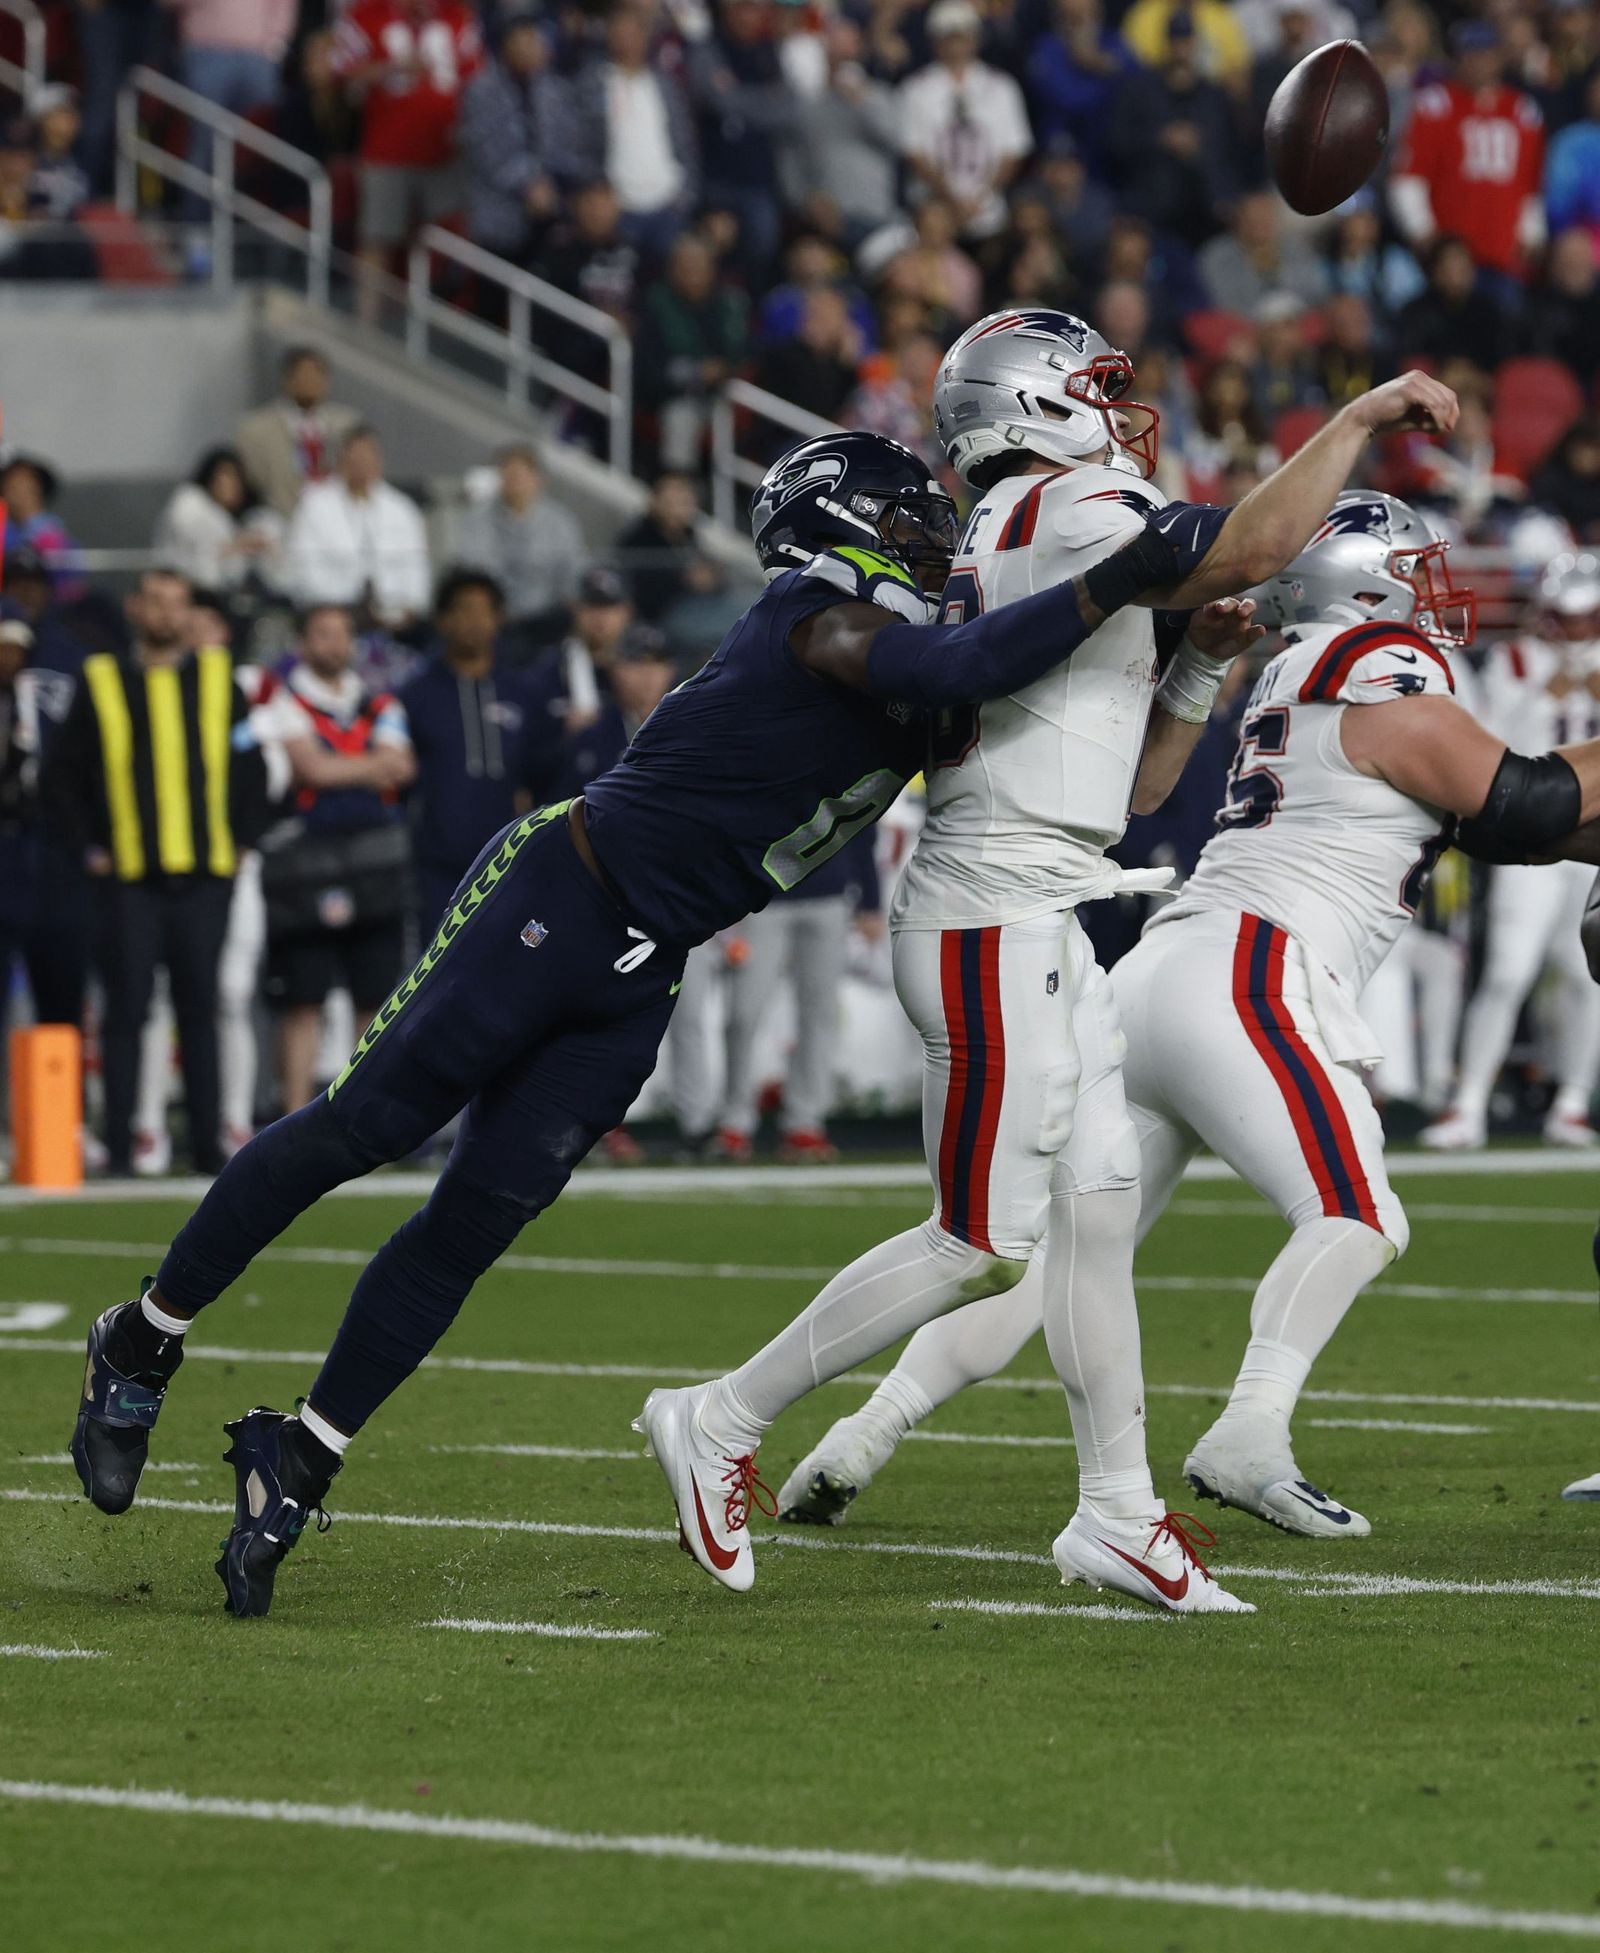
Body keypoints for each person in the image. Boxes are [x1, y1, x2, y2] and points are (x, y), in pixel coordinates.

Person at [63, 430, 1252, 1617]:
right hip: (559, 894)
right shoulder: (817, 615)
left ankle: (303, 1455)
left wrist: (1185, 656)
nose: (930, 537)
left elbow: (1069, 745)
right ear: (839, 529)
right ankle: (141, 1340)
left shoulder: (902, 654)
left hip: (642, 968)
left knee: (476, 1221)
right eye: (904, 521)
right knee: (363, 1124)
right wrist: (1124, 570)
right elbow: (955, 670)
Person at [634, 327, 1462, 1611]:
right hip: (985, 911)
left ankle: (1117, 1514)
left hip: (1049, 901)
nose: (1116, 419)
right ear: (1028, 404)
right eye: (1095, 392)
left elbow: (1125, 794)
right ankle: (721, 1416)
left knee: (1097, 1217)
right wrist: (1353, 421)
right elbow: (1245, 547)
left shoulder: (1035, 518)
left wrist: (1192, 663)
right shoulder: (1069, 501)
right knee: (979, 1239)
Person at [776, 493, 1507, 1541]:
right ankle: (1251, 1429)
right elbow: (1513, 801)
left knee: (1056, 1258)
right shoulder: (1382, 660)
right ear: (1363, 581)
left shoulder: (1285, 669)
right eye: (1414, 565)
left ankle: (865, 1433)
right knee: (1357, 1213)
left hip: (1165, 968)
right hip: (1250, 970)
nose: (1432, 588)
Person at [42, 568, 268, 1176]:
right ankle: (119, 1148)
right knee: (126, 1010)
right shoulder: (101, 680)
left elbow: (251, 765)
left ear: (190, 612)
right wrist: (88, 848)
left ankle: (205, 1147)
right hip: (129, 880)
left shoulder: (221, 681)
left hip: (205, 875)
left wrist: (246, 839)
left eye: (179, 602)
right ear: (137, 608)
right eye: (157, 601)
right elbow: (60, 776)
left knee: (201, 1008)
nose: (167, 613)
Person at [1423, 556, 1600, 1150]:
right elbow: (1490, 749)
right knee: (1508, 970)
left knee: (1585, 974)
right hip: (1538, 833)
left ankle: (1573, 1101)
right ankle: (1469, 1102)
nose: (1576, 632)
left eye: (1586, 620)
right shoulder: (1515, 660)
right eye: (1567, 619)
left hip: (1595, 834)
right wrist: (1544, 695)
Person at [256, 603, 417, 1111]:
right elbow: (310, 770)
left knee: (373, 998)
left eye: (342, 634)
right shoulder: (282, 702)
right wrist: (370, 767)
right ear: (303, 642)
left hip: (374, 863)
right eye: (322, 634)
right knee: (303, 1001)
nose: (334, 644)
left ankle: (362, 1118)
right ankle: (293, 1121)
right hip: (304, 867)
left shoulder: (380, 702)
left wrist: (333, 766)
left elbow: (402, 767)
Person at [711, 828, 880, 1164]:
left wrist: (870, 899)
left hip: (829, 896)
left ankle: (805, 1121)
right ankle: (735, 1121)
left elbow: (863, 823)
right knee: (744, 1013)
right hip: (765, 897)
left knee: (819, 1014)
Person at [398, 568, 534, 928]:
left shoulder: (521, 693)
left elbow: (538, 773)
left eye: (484, 610)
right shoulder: (416, 696)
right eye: (463, 610)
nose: (474, 621)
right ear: (442, 620)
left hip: (509, 863)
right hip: (436, 868)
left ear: (499, 620)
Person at [331, 0, 484, 300]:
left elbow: (477, 76)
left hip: (445, 152)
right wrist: (390, 69)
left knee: (442, 244)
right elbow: (341, 76)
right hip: (386, 151)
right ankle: (366, 328)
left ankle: (430, 326)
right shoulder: (364, 15)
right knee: (377, 238)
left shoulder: (457, 16)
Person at [1390, 21, 1545, 284]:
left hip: (1504, 252)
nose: (1478, 62)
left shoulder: (1521, 109)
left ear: (1498, 57)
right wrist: (1421, 230)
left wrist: (1533, 233)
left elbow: (1530, 181)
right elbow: (1409, 176)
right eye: (1470, 54)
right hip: (1449, 255)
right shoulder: (1435, 105)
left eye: (1485, 53)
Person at [569, 3, 697, 264]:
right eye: (619, 32)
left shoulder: (665, 83)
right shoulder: (592, 82)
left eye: (633, 33)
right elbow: (578, 142)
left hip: (669, 204)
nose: (626, 40)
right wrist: (594, 190)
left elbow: (685, 141)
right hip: (618, 209)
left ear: (645, 37)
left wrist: (686, 193)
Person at [898, 0, 1032, 245]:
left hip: (988, 214)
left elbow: (1013, 152)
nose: (955, 46)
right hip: (934, 215)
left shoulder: (1002, 87)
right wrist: (951, 200)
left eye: (961, 37)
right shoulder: (916, 89)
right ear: (934, 41)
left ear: (975, 39)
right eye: (948, 38)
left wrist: (981, 197)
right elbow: (914, 152)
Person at [283, 426, 431, 630]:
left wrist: (406, 609)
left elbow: (416, 570)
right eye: (354, 457)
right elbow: (303, 568)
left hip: (394, 620)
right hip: (332, 615)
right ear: (341, 460)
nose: (360, 464)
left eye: (367, 457)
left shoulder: (402, 509)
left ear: (378, 461)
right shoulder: (314, 505)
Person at [456, 8, 570, 262]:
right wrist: (529, 185)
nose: (530, 47)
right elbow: (490, 153)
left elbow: (561, 142)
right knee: (496, 292)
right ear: (506, 45)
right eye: (523, 40)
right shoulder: (482, 89)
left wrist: (550, 183)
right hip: (499, 209)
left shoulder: (550, 88)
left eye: (534, 39)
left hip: (546, 206)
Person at [451, 445, 589, 647]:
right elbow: (470, 568)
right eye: (507, 475)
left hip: (546, 619)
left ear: (539, 479)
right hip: (493, 618)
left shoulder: (561, 523)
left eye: (521, 476)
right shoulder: (475, 520)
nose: (514, 483)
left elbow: (572, 575)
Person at [635, 235, 750, 475]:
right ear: (671, 269)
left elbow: (744, 351)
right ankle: (679, 489)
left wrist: (722, 369)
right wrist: (695, 373)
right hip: (673, 395)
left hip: (725, 393)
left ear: (711, 269)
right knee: (680, 419)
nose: (691, 273)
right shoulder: (656, 302)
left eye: (698, 265)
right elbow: (648, 368)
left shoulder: (729, 302)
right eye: (683, 266)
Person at [523, 567, 632, 789]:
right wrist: (565, 736)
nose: (600, 617)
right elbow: (524, 759)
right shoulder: (547, 674)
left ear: (626, 612)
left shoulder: (647, 670)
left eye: (609, 607)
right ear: (575, 609)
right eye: (592, 607)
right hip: (562, 803)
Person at [235, 346, 361, 521]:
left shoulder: (347, 425)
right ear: (287, 379)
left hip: (338, 520)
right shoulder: (256, 430)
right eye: (303, 374)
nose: (310, 381)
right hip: (282, 519)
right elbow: (252, 482)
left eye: (317, 374)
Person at [153, 446, 286, 595]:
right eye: (223, 476)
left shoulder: (256, 515)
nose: (229, 485)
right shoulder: (190, 505)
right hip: (193, 591)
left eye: (236, 477)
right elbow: (196, 562)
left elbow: (280, 566)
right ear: (210, 478)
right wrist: (234, 546)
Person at [614, 472, 724, 629]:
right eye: (671, 502)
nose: (678, 509)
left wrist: (712, 579)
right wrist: (685, 580)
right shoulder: (638, 539)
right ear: (655, 502)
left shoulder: (689, 537)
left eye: (684, 502)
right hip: (658, 618)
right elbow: (640, 588)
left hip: (695, 609)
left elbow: (711, 576)